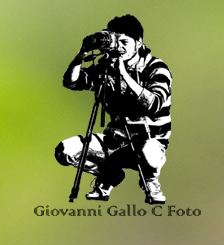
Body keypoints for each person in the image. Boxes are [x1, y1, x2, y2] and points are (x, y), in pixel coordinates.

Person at [56, 15, 172, 204]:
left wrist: (124, 74)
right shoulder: (107, 66)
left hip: (148, 140)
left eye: (125, 42)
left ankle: (151, 183)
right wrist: (81, 55)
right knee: (65, 151)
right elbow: (72, 82)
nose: (120, 47)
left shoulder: (156, 68)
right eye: (115, 41)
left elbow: (154, 104)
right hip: (115, 140)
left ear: (139, 42)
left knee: (149, 152)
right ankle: (109, 175)